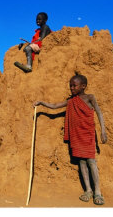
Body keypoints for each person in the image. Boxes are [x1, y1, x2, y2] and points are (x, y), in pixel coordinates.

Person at [33, 72, 107, 205]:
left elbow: (99, 112)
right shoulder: (70, 101)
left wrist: (103, 131)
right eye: (70, 86)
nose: (72, 88)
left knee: (91, 162)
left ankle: (98, 192)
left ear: (83, 86)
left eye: (74, 86)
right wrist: (41, 103)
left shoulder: (90, 97)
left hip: (87, 135)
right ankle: (88, 190)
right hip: (76, 135)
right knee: (81, 163)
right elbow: (55, 106)